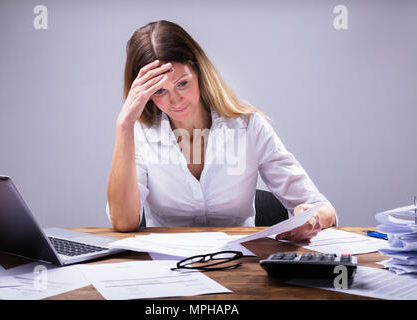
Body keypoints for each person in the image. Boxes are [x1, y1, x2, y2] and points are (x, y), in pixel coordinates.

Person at [106, 20, 337, 241]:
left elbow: (322, 207)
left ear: (199, 72)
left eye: (182, 83)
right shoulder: (140, 134)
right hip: (166, 270)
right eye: (159, 91)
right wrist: (124, 124)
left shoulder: (249, 126)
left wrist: (313, 218)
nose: (175, 100)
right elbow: (123, 222)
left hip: (237, 267)